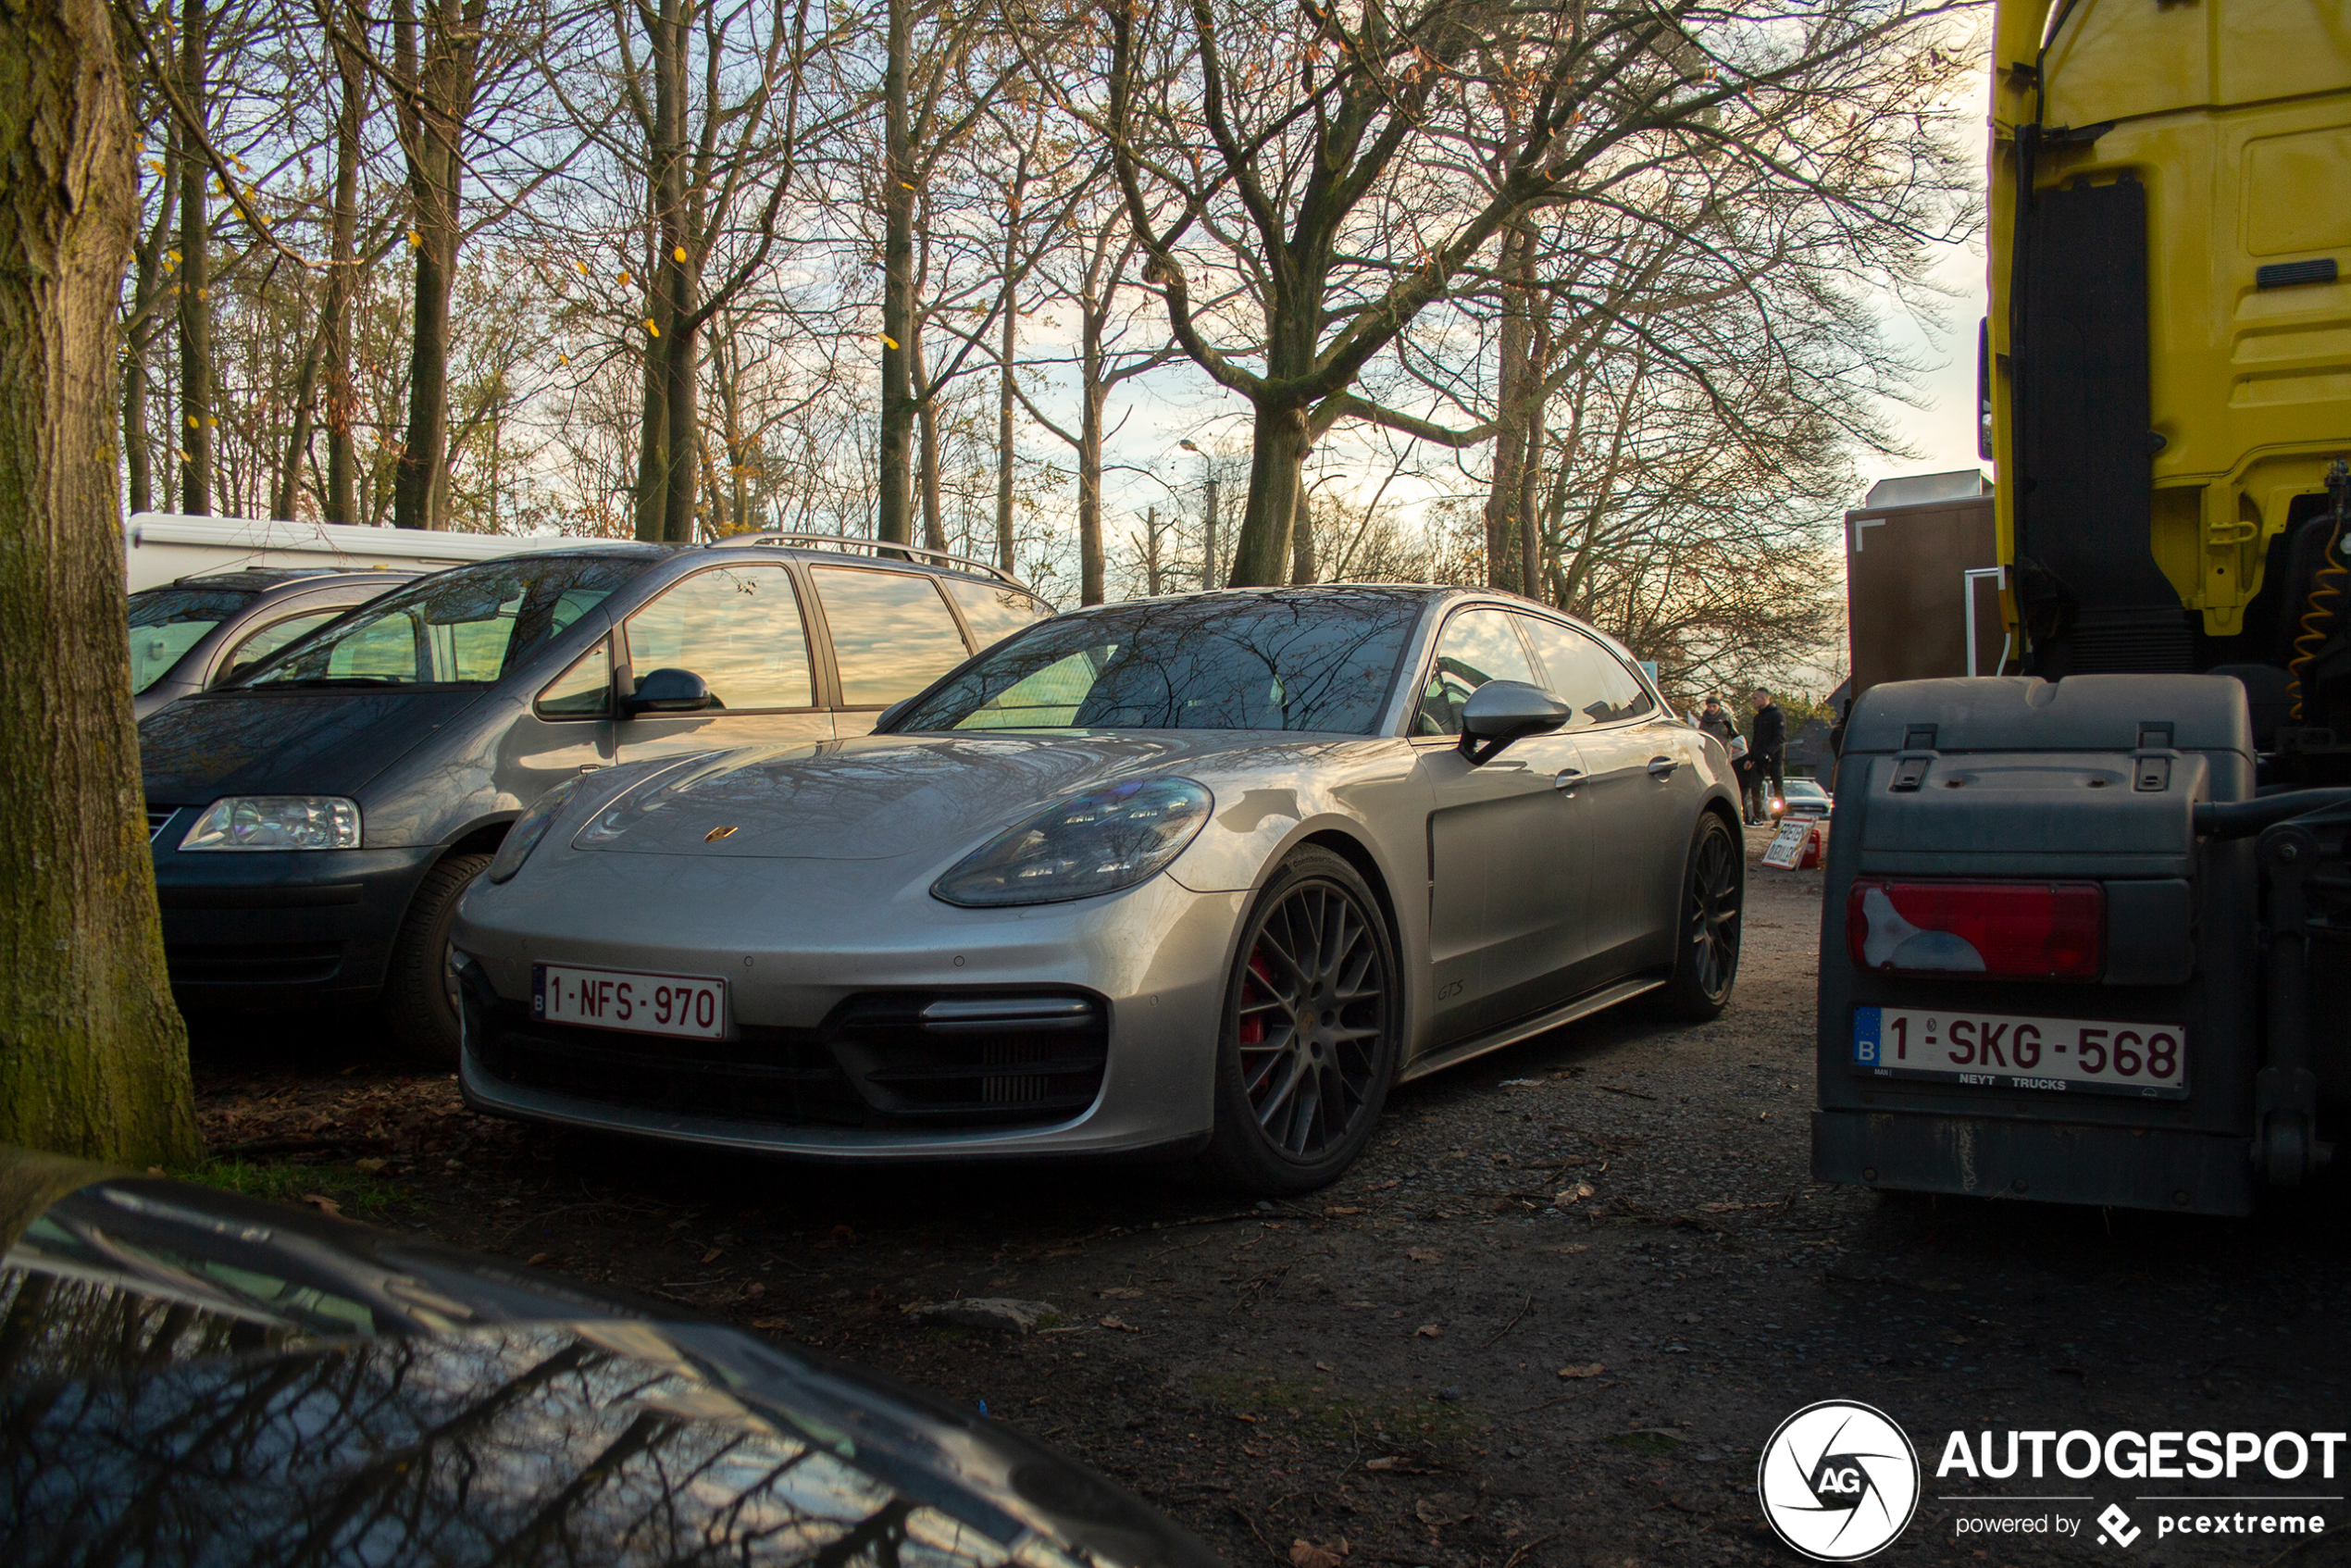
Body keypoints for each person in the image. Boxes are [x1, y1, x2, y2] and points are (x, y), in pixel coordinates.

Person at [1741, 687, 1786, 826]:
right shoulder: (1758, 718)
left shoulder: (1777, 715)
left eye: (1755, 698)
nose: (1753, 701)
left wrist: (1769, 753)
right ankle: (1757, 816)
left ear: (1764, 699)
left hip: (1774, 758)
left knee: (1777, 787)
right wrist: (1750, 758)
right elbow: (1755, 739)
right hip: (1759, 758)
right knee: (1755, 786)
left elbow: (1780, 738)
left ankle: (1780, 818)